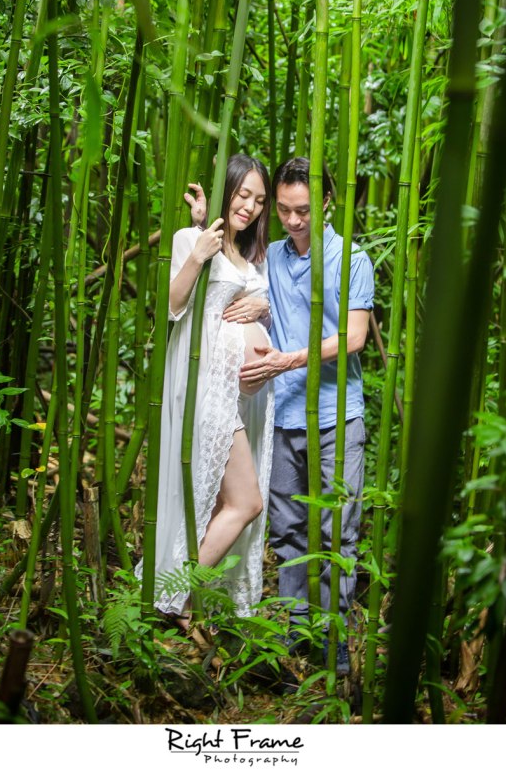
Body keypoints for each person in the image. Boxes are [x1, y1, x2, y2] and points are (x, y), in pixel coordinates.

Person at [188, 157, 374, 671]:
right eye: (285, 210)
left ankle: (333, 639)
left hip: (338, 415)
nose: (293, 220)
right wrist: (204, 225)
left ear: (327, 202)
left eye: (304, 211)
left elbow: (355, 337)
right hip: (281, 414)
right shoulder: (269, 254)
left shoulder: (351, 259)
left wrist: (288, 359)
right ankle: (295, 632)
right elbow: (227, 263)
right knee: (288, 530)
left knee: (338, 531)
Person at [146, 154, 275, 626]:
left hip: (241, 398)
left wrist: (261, 307)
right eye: (243, 194)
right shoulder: (192, 239)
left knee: (225, 503)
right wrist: (200, 249)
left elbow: (252, 308)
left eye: (259, 201)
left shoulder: (249, 255)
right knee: (246, 502)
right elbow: (172, 306)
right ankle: (172, 597)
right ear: (227, 191)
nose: (250, 207)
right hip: (207, 389)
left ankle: (191, 601)